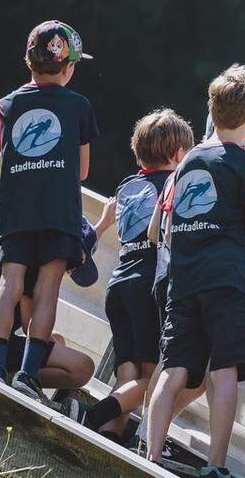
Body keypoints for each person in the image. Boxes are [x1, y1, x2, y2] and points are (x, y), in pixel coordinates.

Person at [146, 64, 245, 478]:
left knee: (174, 365)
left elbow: (172, 222)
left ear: (212, 112)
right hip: (227, 280)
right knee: (224, 372)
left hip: (185, 276)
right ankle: (215, 467)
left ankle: (151, 453)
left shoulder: (190, 160)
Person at [0, 20, 100, 402]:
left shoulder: (6, 105)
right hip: (58, 213)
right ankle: (28, 374)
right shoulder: (79, 106)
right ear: (68, 67)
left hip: (17, 211)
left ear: (28, 61)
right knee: (48, 285)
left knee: (11, 282)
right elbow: (82, 170)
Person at [65, 109, 194, 442]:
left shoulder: (127, 185)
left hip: (119, 285)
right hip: (149, 288)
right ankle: (92, 413)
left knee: (127, 371)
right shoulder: (174, 184)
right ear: (179, 154)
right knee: (154, 379)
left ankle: (108, 434)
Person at [0, 216, 107, 390]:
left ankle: (18, 382)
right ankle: (17, 384)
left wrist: (103, 224)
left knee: (58, 340)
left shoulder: (29, 249)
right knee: (82, 367)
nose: (71, 269)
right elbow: (28, 325)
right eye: (76, 261)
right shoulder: (40, 264)